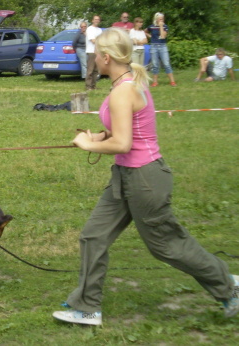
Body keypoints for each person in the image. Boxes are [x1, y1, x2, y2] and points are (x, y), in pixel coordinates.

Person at [52, 27, 238, 326]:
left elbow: (124, 144)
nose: (95, 61)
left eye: (97, 55)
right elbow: (127, 130)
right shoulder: (127, 82)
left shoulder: (124, 90)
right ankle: (87, 307)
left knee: (165, 245)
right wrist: (100, 135)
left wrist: (89, 144)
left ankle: (229, 286)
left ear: (107, 57)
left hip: (145, 179)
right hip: (127, 176)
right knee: (94, 236)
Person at [145, 12, 176, 87]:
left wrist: (161, 26)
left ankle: (172, 81)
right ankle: (155, 82)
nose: (162, 19)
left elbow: (163, 36)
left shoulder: (165, 26)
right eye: (160, 18)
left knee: (166, 63)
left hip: (163, 46)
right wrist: (150, 36)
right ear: (156, 19)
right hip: (154, 46)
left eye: (162, 18)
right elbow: (145, 31)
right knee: (155, 65)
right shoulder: (151, 27)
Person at [85, 15, 102, 90]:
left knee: (96, 70)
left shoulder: (100, 30)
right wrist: (99, 41)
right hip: (91, 51)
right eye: (95, 19)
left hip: (98, 51)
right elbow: (93, 40)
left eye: (98, 19)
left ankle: (93, 85)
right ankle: (88, 86)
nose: (97, 21)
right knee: (90, 70)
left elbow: (101, 40)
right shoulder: (89, 29)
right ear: (92, 20)